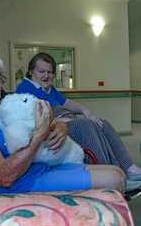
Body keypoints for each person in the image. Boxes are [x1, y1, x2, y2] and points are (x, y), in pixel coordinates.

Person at [0, 49, 125, 194]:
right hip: (21, 185)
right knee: (115, 179)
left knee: (118, 172)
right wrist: (39, 135)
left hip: (36, 169)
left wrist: (59, 126)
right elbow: (3, 176)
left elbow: (29, 124)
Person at [16, 52, 141, 184]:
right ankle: (110, 174)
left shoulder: (49, 89)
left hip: (68, 120)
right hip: (55, 128)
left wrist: (85, 110)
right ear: (31, 71)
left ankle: (128, 167)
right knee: (86, 125)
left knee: (101, 123)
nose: (47, 76)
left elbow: (67, 103)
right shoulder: (25, 88)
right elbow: (30, 119)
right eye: (41, 71)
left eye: (50, 72)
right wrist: (59, 121)